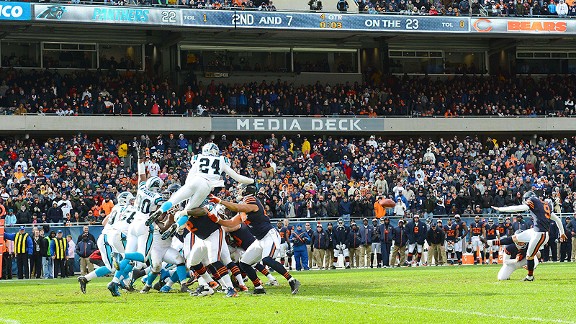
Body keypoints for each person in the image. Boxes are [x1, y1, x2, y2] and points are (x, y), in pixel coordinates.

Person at [209, 184, 301, 295]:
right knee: (244, 263)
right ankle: (258, 287)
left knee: (266, 259)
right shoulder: (244, 207)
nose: (238, 191)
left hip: (269, 235)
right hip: (259, 239)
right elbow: (231, 223)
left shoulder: (252, 201)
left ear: (246, 191)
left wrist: (220, 201)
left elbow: (238, 208)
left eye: (240, 189)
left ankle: (292, 280)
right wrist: (217, 221)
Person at [147, 142, 254, 233]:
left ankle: (160, 211)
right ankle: (177, 225)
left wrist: (188, 187)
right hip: (206, 185)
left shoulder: (199, 158)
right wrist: (252, 181)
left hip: (195, 180)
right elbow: (238, 178)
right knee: (187, 211)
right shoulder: (221, 160)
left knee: (173, 200)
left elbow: (191, 173)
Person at [108, 148, 164, 297]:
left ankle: (113, 282)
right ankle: (120, 257)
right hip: (145, 225)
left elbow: (141, 175)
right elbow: (160, 213)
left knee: (129, 255)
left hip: (133, 224)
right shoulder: (157, 196)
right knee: (142, 257)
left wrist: (140, 159)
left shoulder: (141, 189)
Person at [492, 191, 566, 281]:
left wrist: (501, 209)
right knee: (516, 238)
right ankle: (492, 242)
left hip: (540, 233)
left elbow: (519, 208)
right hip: (536, 231)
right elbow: (557, 219)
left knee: (529, 256)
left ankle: (530, 277)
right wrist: (562, 233)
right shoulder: (544, 204)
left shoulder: (532, 201)